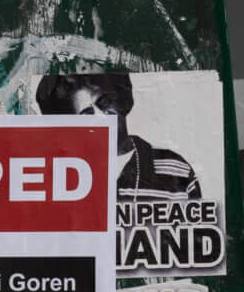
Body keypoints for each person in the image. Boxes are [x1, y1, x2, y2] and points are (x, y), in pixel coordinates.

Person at [34, 72, 202, 200]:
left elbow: (197, 241)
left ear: (122, 101)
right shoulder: (57, 177)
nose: (100, 117)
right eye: (86, 114)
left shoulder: (175, 168)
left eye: (105, 102)